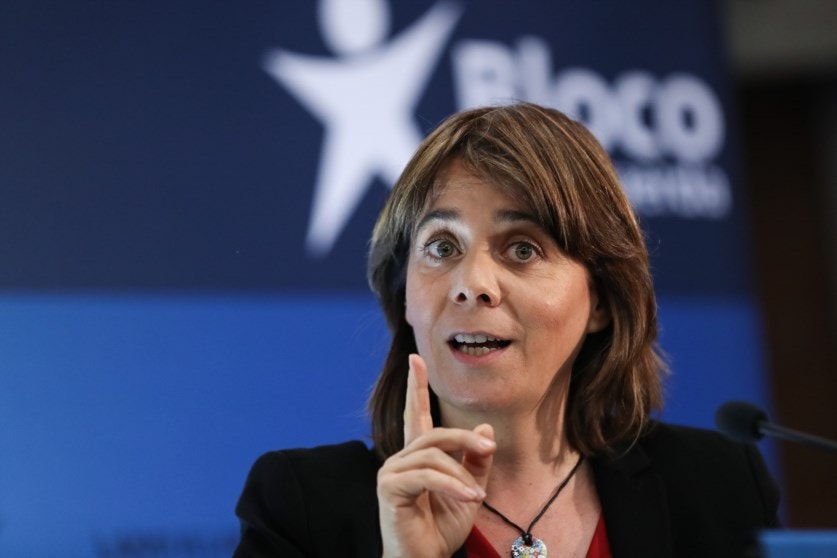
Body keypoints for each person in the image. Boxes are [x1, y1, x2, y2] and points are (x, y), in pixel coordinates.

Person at [232, 102, 779, 558]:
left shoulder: (718, 487)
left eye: (522, 249)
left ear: (601, 301)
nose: (472, 285)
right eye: (441, 247)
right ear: (405, 297)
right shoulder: (301, 509)